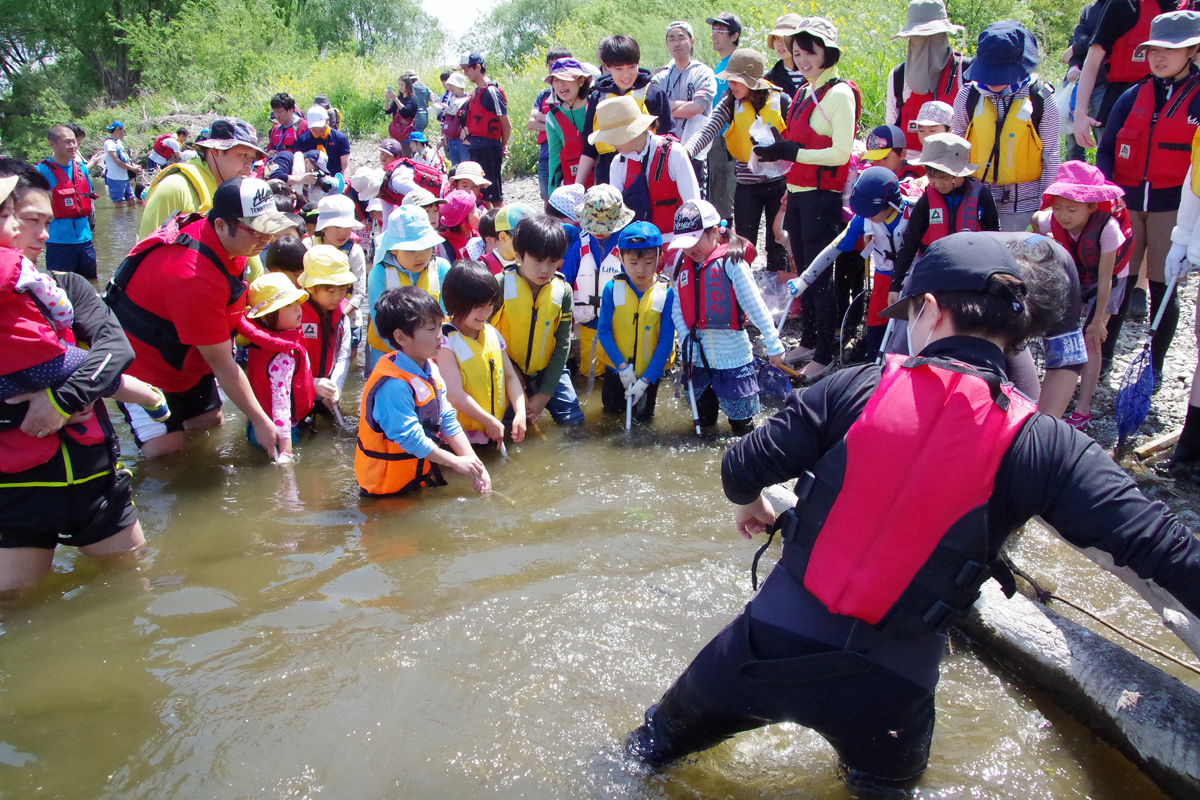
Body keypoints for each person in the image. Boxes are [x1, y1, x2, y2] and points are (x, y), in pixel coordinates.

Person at [625, 230, 1200, 792]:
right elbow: (1167, 550)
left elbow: (740, 467)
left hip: (767, 646)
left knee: (642, 757)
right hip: (891, 689)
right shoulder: (1047, 445)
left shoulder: (853, 388)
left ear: (928, 309)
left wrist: (750, 504)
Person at [0, 182, 145, 591]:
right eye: (29, 221)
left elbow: (115, 350)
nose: (42, 235)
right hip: (17, 486)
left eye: (48, 223)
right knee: (18, 605)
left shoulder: (64, 285)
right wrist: (19, 411)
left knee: (134, 585)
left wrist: (61, 400)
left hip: (93, 474)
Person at [106, 176, 294, 460]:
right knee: (167, 456)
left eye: (269, 228)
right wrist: (261, 420)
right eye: (256, 231)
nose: (266, 240)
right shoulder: (194, 279)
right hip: (142, 368)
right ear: (221, 225)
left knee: (209, 424)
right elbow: (222, 363)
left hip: (184, 352)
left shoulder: (230, 244)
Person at [1098, 10, 1200, 391]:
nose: (1158, 57)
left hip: (1171, 206)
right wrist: (1109, 195)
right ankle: (1104, 359)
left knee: (1162, 286)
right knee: (1119, 284)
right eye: (1154, 49)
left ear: (1192, 50)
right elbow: (1106, 149)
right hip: (1127, 203)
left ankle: (1153, 368)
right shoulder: (1131, 94)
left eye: (1170, 50)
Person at [752, 17, 860, 380]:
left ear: (826, 52)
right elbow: (796, 144)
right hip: (797, 194)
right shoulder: (801, 92)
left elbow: (841, 153)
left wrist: (793, 152)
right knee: (803, 272)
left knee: (820, 276)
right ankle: (812, 339)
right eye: (796, 53)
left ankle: (827, 352)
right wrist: (772, 147)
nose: (801, 60)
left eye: (808, 52)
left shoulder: (840, 94)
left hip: (822, 198)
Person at [356, 286, 491, 496]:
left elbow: (447, 418)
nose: (440, 336)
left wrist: (476, 465)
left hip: (415, 479)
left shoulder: (429, 368)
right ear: (401, 337)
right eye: (431, 329)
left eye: (440, 326)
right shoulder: (393, 385)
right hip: (383, 494)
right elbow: (411, 438)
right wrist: (455, 462)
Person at [667, 199, 785, 432]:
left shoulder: (732, 263)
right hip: (699, 359)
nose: (690, 250)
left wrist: (773, 342)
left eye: (694, 241)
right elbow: (677, 308)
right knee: (703, 425)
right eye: (684, 244)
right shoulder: (685, 267)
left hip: (733, 357)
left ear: (714, 232)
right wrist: (685, 341)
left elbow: (754, 304)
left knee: (742, 427)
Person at [1031, 161, 1130, 428]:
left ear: (1091, 206)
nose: (1063, 215)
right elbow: (1034, 220)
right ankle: (1056, 390)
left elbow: (1106, 279)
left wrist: (1098, 322)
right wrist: (1044, 240)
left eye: (1072, 209)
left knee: (1091, 339)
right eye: (1059, 207)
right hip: (1077, 275)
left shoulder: (1108, 229)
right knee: (1064, 332)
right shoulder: (1053, 219)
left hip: (1106, 280)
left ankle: (1083, 408)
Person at [786, 167, 914, 360]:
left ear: (892, 205)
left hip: (912, 278)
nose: (865, 215)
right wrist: (805, 279)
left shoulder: (914, 213)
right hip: (884, 274)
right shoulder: (863, 218)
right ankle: (873, 363)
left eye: (870, 211)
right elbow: (834, 247)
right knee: (877, 320)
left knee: (909, 324)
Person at [685, 49, 791, 279]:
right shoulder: (729, 103)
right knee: (744, 242)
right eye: (730, 79)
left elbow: (795, 141)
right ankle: (741, 291)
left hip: (779, 185)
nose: (731, 85)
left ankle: (777, 294)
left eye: (736, 80)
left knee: (778, 243)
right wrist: (686, 153)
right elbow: (707, 130)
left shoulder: (781, 100)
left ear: (752, 82)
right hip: (746, 186)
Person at [952, 21, 1059, 233]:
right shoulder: (968, 95)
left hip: (1026, 208)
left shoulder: (1041, 98)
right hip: (975, 203)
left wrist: (1045, 210)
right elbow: (957, 148)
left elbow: (1051, 156)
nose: (992, 80)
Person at [490, 214, 582, 426]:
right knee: (507, 422)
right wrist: (510, 370)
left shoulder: (563, 291)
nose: (545, 269)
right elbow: (483, 333)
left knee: (574, 421)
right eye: (538, 260)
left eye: (552, 261)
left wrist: (545, 394)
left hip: (548, 366)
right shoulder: (499, 285)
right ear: (519, 255)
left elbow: (562, 345)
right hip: (506, 366)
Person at [893, 133, 1000, 303]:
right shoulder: (927, 200)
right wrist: (895, 284)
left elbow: (995, 239)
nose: (936, 183)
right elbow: (910, 243)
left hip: (972, 275)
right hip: (936, 275)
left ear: (961, 173)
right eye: (931, 176)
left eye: (943, 177)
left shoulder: (982, 196)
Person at [437, 260, 528, 448]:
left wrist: (520, 412)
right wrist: (487, 421)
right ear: (456, 302)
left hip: (493, 428)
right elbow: (454, 394)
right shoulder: (445, 341)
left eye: (489, 305)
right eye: (479, 307)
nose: (486, 312)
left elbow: (510, 377)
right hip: (458, 438)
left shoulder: (492, 333)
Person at [1071, 0, 1183, 152]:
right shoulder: (1123, 5)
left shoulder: (1188, 7)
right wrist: (1079, 116)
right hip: (1120, 104)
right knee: (1112, 167)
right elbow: (1092, 62)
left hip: (1177, 105)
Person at [596, 222, 676, 421]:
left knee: (644, 421)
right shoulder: (612, 289)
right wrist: (622, 368)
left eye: (649, 262)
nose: (641, 270)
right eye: (633, 263)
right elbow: (604, 331)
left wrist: (645, 380)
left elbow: (666, 340)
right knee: (611, 417)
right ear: (620, 258)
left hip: (649, 374)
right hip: (616, 370)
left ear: (660, 257)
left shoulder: (666, 294)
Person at [591, 96, 700, 242]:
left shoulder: (674, 152)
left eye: (613, 137)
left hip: (675, 241)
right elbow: (614, 214)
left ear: (631, 131)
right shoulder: (618, 163)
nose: (610, 143)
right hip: (636, 246)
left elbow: (693, 205)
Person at [575, 35, 674, 187]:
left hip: (646, 174)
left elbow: (668, 139)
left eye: (631, 67)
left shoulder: (654, 93)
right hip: (606, 174)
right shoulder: (597, 96)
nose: (626, 75)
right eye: (619, 69)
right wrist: (578, 185)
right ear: (607, 67)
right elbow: (589, 149)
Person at [140, 117, 265, 237]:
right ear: (215, 151)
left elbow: (247, 255)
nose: (249, 165)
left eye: (252, 158)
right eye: (243, 154)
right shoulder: (174, 189)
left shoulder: (238, 194)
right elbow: (144, 254)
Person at [366, 206, 451, 370]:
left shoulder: (442, 268)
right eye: (411, 250)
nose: (420, 256)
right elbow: (379, 324)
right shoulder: (379, 273)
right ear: (393, 248)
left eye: (426, 247)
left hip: (434, 353)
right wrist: (412, 356)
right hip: (389, 354)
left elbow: (446, 315)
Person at [562, 185, 634, 380]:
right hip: (588, 324)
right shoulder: (580, 247)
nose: (600, 233)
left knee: (616, 374)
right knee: (589, 374)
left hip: (619, 325)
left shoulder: (627, 247)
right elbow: (564, 281)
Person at [241, 273, 313, 462]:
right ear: (266, 317)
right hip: (276, 435)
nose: (298, 308)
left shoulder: (265, 344)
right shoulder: (281, 356)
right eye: (288, 305)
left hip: (258, 426)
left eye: (297, 302)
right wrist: (286, 451)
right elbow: (281, 406)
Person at [885, 0, 970, 157]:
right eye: (919, 37)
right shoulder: (898, 75)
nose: (926, 42)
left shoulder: (966, 71)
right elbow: (891, 130)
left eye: (933, 36)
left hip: (952, 168)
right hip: (908, 168)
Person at [654, 21, 716, 190]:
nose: (676, 43)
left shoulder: (703, 73)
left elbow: (696, 108)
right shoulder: (661, 76)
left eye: (681, 38)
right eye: (671, 39)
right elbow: (653, 109)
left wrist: (667, 109)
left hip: (694, 149)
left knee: (693, 197)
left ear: (691, 41)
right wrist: (682, 106)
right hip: (664, 148)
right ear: (666, 43)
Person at [297, 245, 354, 415]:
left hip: (324, 388)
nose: (337, 297)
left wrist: (335, 387)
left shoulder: (342, 318)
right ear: (310, 288)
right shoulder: (295, 314)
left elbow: (343, 357)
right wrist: (311, 383)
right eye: (330, 291)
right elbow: (287, 362)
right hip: (298, 387)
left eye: (343, 289)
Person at [311, 194, 368, 360]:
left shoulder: (354, 251)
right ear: (323, 227)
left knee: (348, 369)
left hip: (348, 319)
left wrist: (339, 313)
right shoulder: (309, 246)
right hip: (315, 318)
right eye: (337, 226)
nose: (343, 232)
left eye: (347, 226)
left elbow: (359, 293)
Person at [37, 125, 97, 280]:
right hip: (59, 243)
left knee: (90, 284)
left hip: (85, 241)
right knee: (61, 286)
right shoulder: (43, 171)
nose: (73, 146)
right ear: (52, 144)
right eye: (67, 142)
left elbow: (88, 200)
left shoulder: (81, 169)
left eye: (74, 142)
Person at [705, 13, 742, 223]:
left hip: (728, 138)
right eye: (713, 30)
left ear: (734, 35)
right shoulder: (720, 65)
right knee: (714, 192)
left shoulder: (737, 64)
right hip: (715, 139)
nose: (714, 35)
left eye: (720, 31)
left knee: (724, 194)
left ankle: (728, 241)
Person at [460, 52, 510, 207]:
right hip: (476, 146)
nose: (465, 73)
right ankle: (488, 227)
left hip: (489, 146)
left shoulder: (491, 91)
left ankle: (504, 230)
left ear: (477, 67)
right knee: (481, 194)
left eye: (467, 69)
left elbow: (506, 124)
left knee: (494, 195)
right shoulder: (475, 93)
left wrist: (503, 145)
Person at [528, 49, 574, 200]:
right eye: (550, 65)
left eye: (558, 64)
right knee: (547, 198)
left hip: (571, 155)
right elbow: (531, 123)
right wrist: (554, 124)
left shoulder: (574, 94)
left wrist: (545, 120)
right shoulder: (543, 95)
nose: (553, 68)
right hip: (546, 155)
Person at [544, 58, 594, 193]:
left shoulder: (595, 106)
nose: (560, 85)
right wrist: (552, 193)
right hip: (572, 189)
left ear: (581, 81)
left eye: (565, 79)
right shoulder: (551, 118)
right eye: (556, 80)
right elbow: (554, 156)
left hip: (600, 185)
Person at [294, 106, 350, 177]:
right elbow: (297, 166)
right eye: (314, 127)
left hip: (335, 179)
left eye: (320, 126)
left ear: (327, 121)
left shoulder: (340, 138)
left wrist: (344, 184)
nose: (317, 130)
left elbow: (345, 167)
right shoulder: (301, 140)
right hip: (310, 181)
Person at [483, 203, 534, 275]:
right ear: (503, 237)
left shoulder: (533, 264)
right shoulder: (484, 269)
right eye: (522, 239)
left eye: (532, 239)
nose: (528, 245)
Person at [101, 121, 141, 207]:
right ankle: (119, 220)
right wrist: (132, 169)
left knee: (131, 200)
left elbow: (124, 159)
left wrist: (133, 166)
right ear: (117, 130)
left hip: (124, 177)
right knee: (119, 202)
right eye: (123, 131)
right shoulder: (109, 143)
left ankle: (129, 220)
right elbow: (117, 161)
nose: (124, 133)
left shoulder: (118, 142)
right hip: (115, 178)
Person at [764, 14, 805, 98]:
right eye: (776, 38)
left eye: (785, 37)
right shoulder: (770, 78)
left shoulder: (814, 73)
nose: (780, 43)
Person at [437, 189, 479, 264]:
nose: (479, 211)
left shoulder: (479, 233)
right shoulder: (447, 245)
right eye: (474, 210)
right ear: (463, 222)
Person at [440, 72, 471, 167]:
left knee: (465, 166)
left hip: (462, 138)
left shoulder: (469, 99)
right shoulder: (452, 99)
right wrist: (445, 134)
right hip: (451, 137)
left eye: (453, 84)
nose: (450, 87)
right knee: (455, 166)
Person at [385, 77, 419, 150]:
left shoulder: (413, 98)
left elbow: (405, 111)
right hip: (396, 130)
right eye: (399, 85)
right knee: (396, 154)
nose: (400, 87)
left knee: (405, 154)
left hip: (406, 131)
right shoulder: (399, 98)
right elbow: (388, 111)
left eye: (402, 85)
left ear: (408, 85)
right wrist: (387, 100)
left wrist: (395, 99)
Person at [403, 70, 432, 135]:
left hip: (416, 116)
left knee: (415, 139)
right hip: (424, 116)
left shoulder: (410, 88)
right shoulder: (424, 87)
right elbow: (433, 97)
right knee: (418, 137)